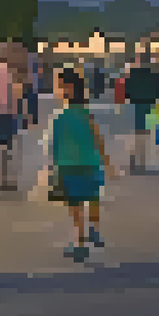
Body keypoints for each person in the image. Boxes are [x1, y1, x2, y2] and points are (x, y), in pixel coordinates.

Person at [50, 66, 117, 262]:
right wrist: (107, 163)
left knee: (76, 206)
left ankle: (79, 244)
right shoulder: (86, 114)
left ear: (68, 89)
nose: (57, 89)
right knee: (93, 198)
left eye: (59, 85)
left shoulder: (62, 117)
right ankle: (94, 230)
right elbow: (98, 139)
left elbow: (55, 145)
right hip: (91, 163)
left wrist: (54, 168)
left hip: (69, 166)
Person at [0, 45, 23, 191]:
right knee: (6, 148)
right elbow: (9, 97)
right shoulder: (7, 72)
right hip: (6, 114)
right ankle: (4, 180)